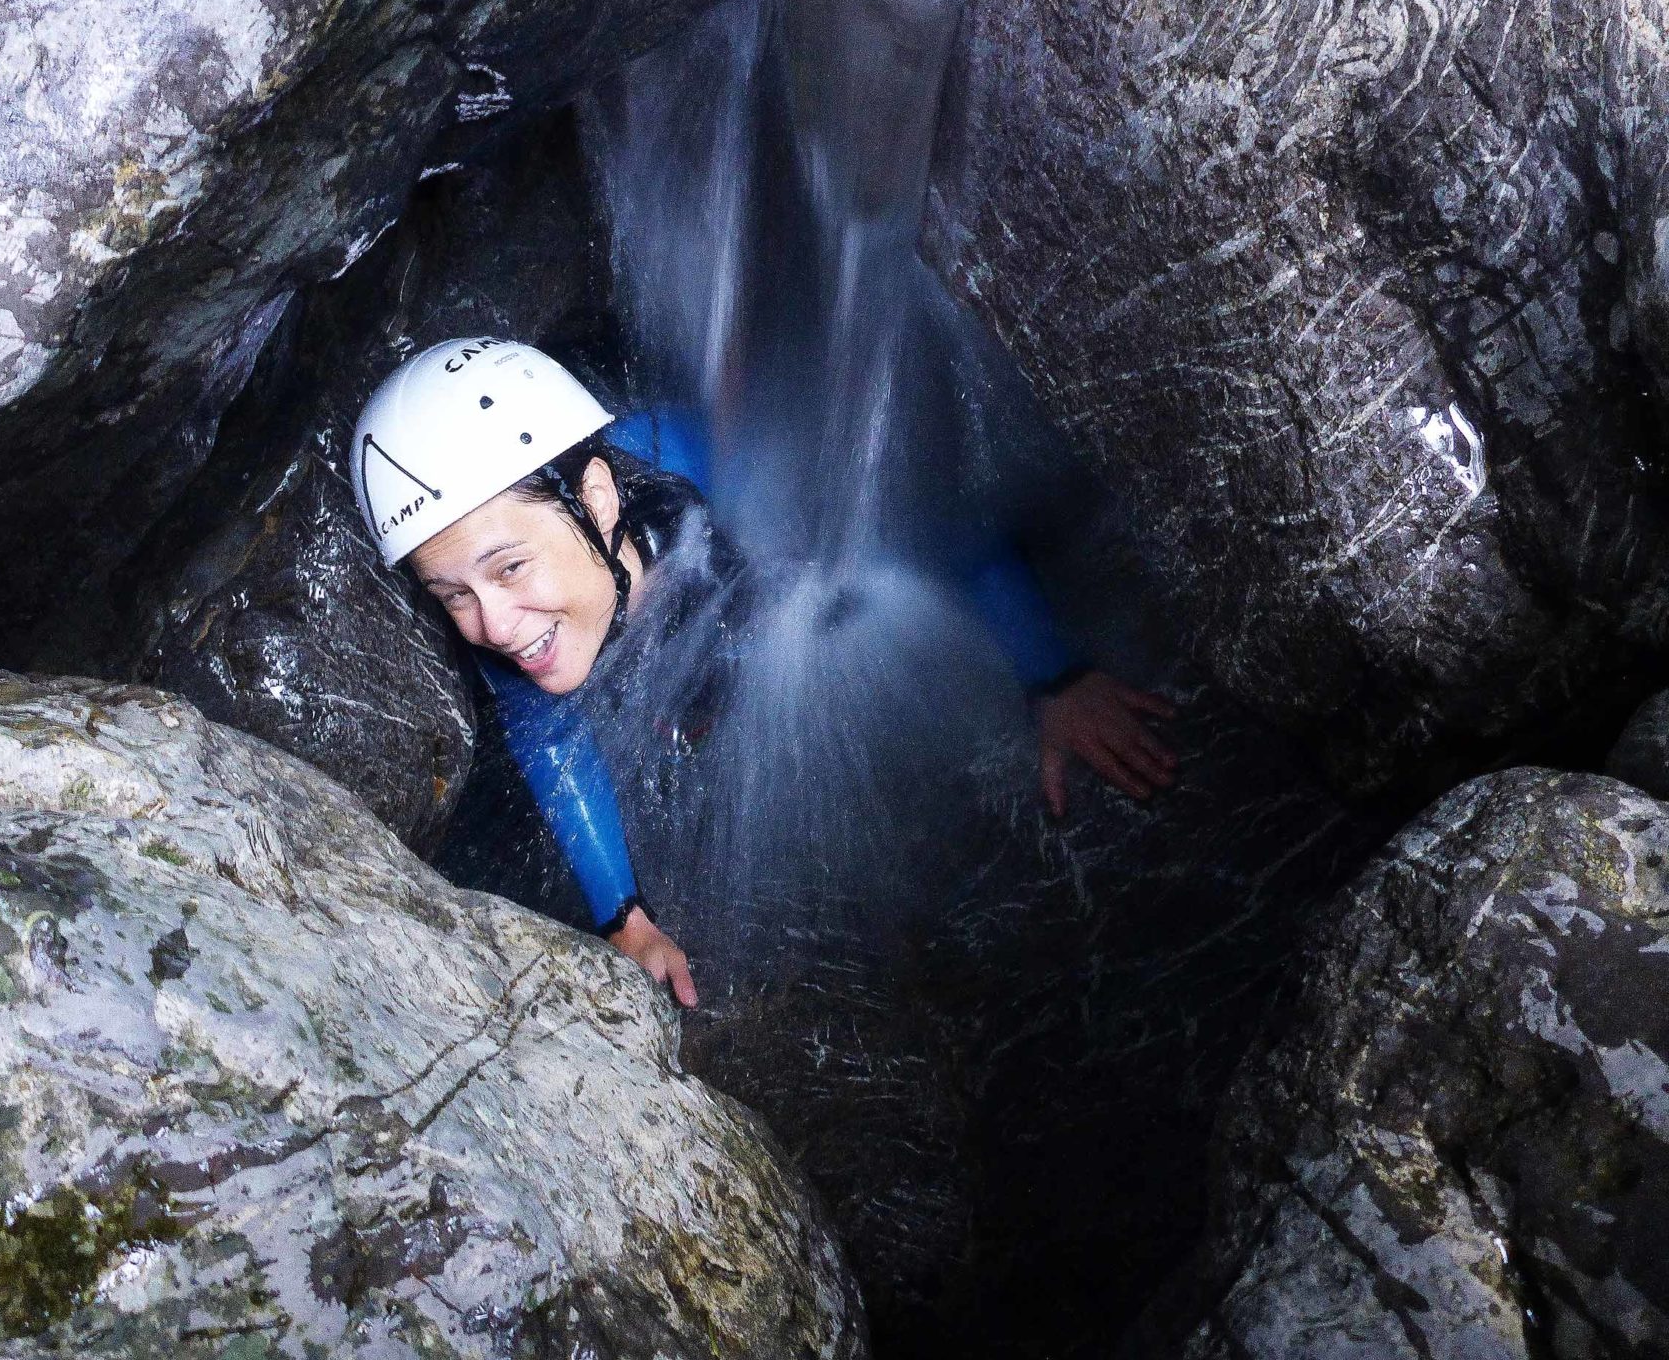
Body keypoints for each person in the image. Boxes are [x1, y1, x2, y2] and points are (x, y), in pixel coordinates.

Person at [352, 337, 1176, 1006]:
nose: (491, 626)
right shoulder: (524, 616)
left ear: (597, 501)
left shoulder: (738, 486)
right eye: (451, 593)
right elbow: (550, 734)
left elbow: (921, 530)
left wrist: (1054, 677)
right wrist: (626, 918)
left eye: (508, 570)